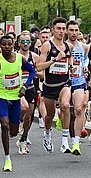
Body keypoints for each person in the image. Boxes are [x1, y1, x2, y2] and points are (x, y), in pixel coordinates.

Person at [0, 34, 36, 171]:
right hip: (1, 96)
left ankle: (17, 136)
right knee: (4, 124)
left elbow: (32, 71)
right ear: (0, 46)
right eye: (4, 44)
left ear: (13, 45)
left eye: (9, 44)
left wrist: (25, 86)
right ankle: (7, 158)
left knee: (13, 131)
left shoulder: (21, 59)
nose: (6, 47)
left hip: (15, 97)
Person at [37, 17, 73, 154]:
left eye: (63, 29)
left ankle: (65, 142)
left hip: (64, 82)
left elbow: (69, 63)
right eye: (58, 28)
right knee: (50, 115)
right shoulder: (47, 45)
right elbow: (39, 66)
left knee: (65, 106)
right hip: (50, 85)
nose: (61, 31)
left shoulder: (68, 46)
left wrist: (73, 68)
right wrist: (54, 59)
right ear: (53, 29)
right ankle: (47, 134)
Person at [66, 20, 91, 155]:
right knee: (66, 109)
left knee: (78, 109)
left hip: (79, 81)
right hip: (64, 82)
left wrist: (85, 67)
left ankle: (76, 142)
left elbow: (85, 60)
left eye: (76, 30)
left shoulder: (84, 47)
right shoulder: (63, 46)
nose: (74, 33)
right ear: (66, 31)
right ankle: (65, 136)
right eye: (71, 30)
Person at [16, 31, 42, 154]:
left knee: (29, 115)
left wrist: (33, 73)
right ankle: (17, 121)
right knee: (24, 108)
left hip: (31, 87)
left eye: (28, 41)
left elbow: (42, 73)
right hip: (17, 88)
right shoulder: (14, 56)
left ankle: (23, 138)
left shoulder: (35, 56)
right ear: (19, 43)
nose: (26, 44)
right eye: (23, 41)